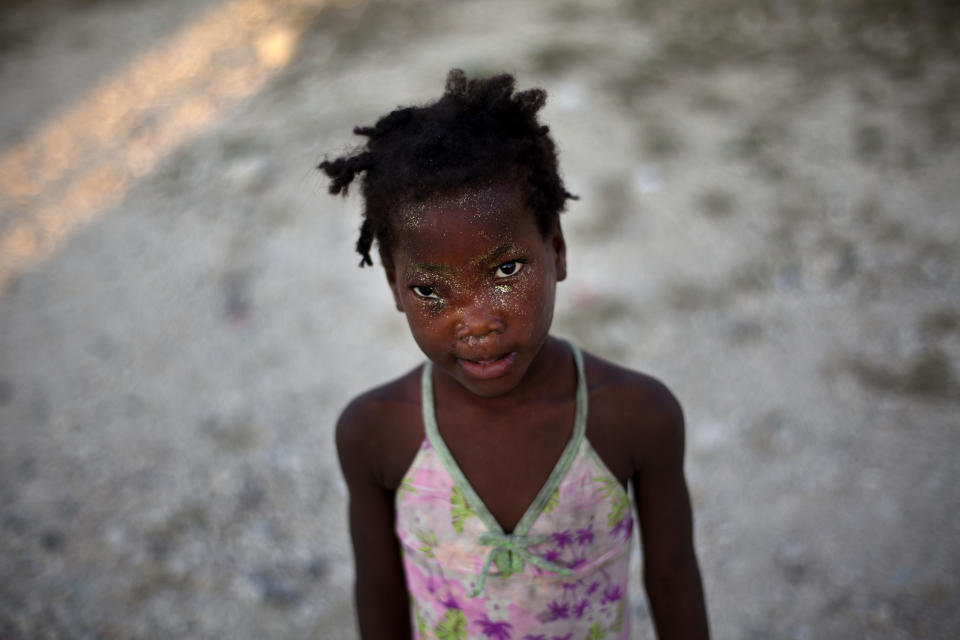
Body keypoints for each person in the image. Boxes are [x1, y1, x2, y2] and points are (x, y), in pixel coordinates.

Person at [320, 69, 709, 640]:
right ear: (395, 286)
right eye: (431, 289)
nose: (477, 322)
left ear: (556, 250)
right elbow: (379, 595)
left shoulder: (635, 417)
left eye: (506, 271)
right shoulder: (376, 433)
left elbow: (674, 582)